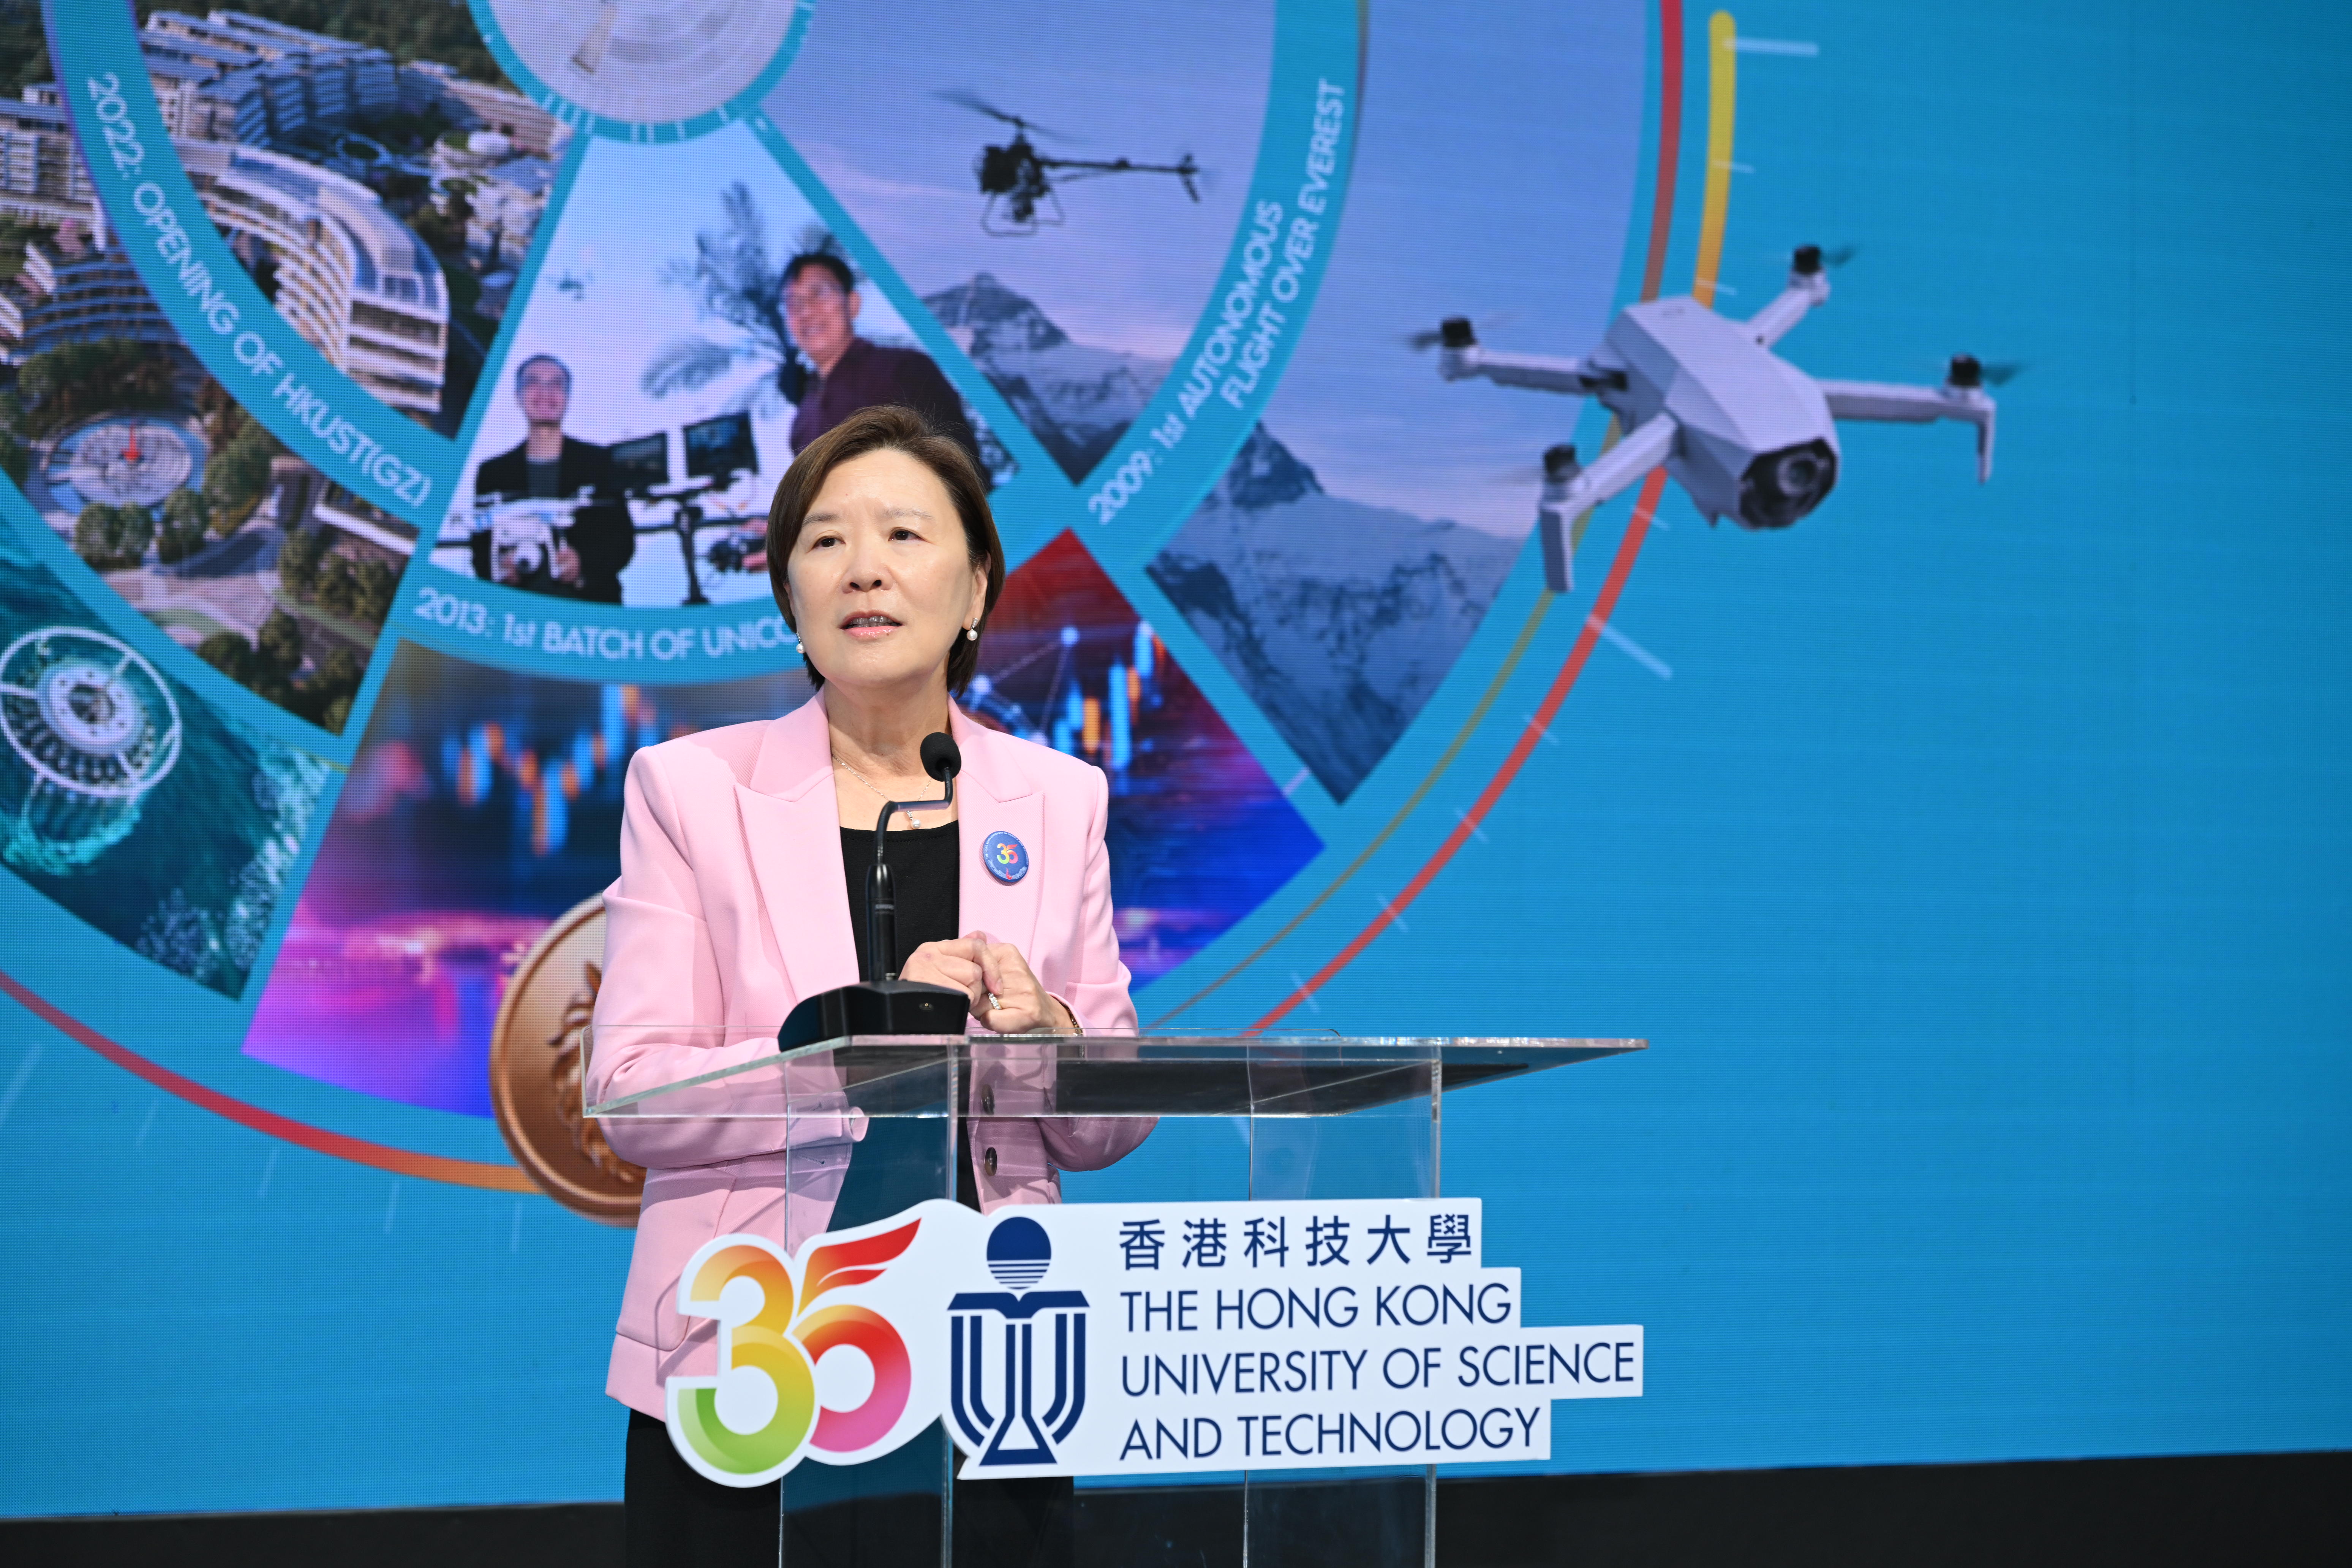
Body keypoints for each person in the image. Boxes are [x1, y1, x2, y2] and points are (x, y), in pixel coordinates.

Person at [588, 405, 1148, 1567]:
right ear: (790, 595)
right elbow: (631, 1095)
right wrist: (857, 1054)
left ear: (977, 588)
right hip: (751, 1358)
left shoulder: (1060, 800)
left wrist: (1046, 1032)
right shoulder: (692, 791)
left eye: (903, 533)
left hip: (995, 1362)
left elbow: (1107, 1126)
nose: (864, 568)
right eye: (827, 540)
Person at [784, 252, 983, 475]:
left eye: (820, 293)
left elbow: (961, 468)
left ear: (853, 303)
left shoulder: (904, 370)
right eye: (794, 303)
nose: (806, 311)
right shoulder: (802, 422)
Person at [471, 353, 635, 602]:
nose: (545, 392)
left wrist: (583, 565)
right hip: (519, 609)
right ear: (518, 397)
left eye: (556, 384)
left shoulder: (599, 462)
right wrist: (501, 569)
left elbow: (623, 540)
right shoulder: (493, 472)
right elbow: (480, 548)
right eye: (533, 382)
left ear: (567, 397)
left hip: (589, 607)